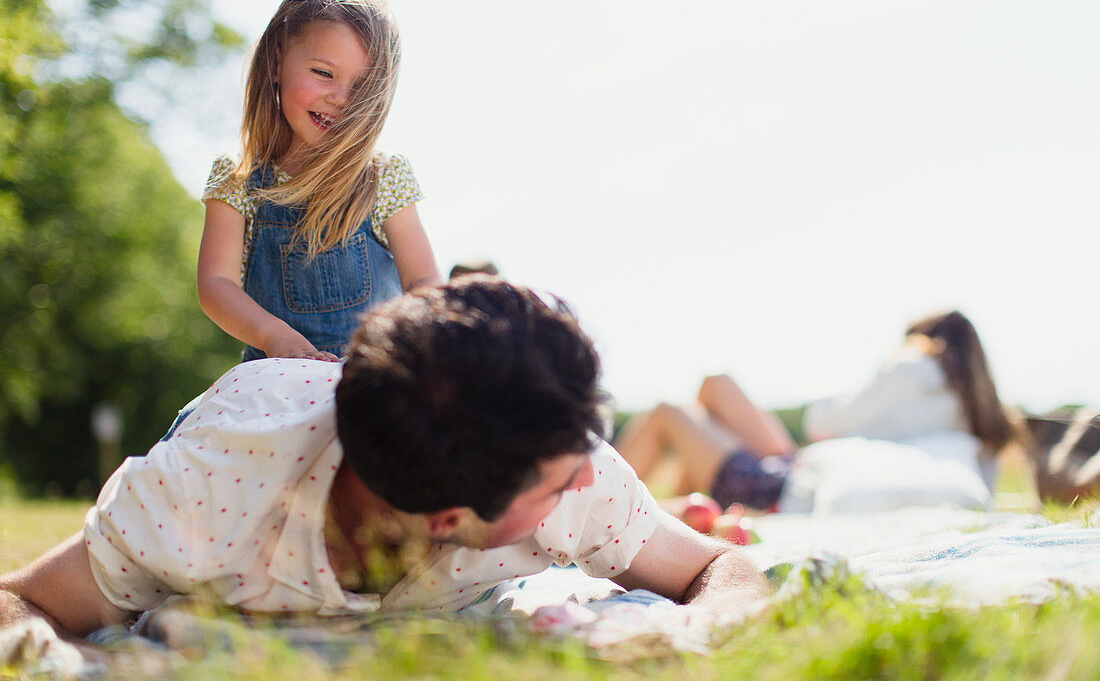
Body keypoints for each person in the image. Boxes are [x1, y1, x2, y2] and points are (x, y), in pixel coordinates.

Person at [0, 277, 768, 639]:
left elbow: (724, 568)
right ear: (449, 519)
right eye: (563, 477)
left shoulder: (561, 457)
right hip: (247, 422)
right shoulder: (200, 496)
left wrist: (689, 635)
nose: (591, 477)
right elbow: (23, 601)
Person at [197, 0, 441, 363]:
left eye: (360, 87)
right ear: (277, 63)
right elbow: (216, 283)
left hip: (370, 376)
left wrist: (408, 341)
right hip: (273, 376)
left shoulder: (381, 174)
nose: (340, 98)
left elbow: (422, 280)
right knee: (195, 424)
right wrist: (274, 336)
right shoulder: (238, 176)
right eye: (323, 73)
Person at [617, 310, 1022, 513]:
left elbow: (820, 423)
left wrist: (892, 363)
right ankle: (682, 510)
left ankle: (600, 504)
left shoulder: (911, 369)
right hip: (803, 475)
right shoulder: (980, 416)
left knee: (670, 412)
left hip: (789, 485)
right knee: (714, 386)